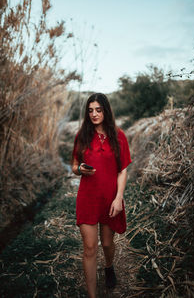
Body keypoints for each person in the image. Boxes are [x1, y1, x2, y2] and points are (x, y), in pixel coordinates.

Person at [71, 93, 131, 298]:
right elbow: (73, 165)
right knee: (89, 248)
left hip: (109, 198)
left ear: (106, 110)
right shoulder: (82, 135)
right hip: (87, 198)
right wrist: (80, 169)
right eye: (90, 110)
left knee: (106, 244)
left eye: (98, 109)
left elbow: (122, 170)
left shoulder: (118, 135)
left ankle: (109, 265)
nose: (94, 114)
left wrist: (118, 198)